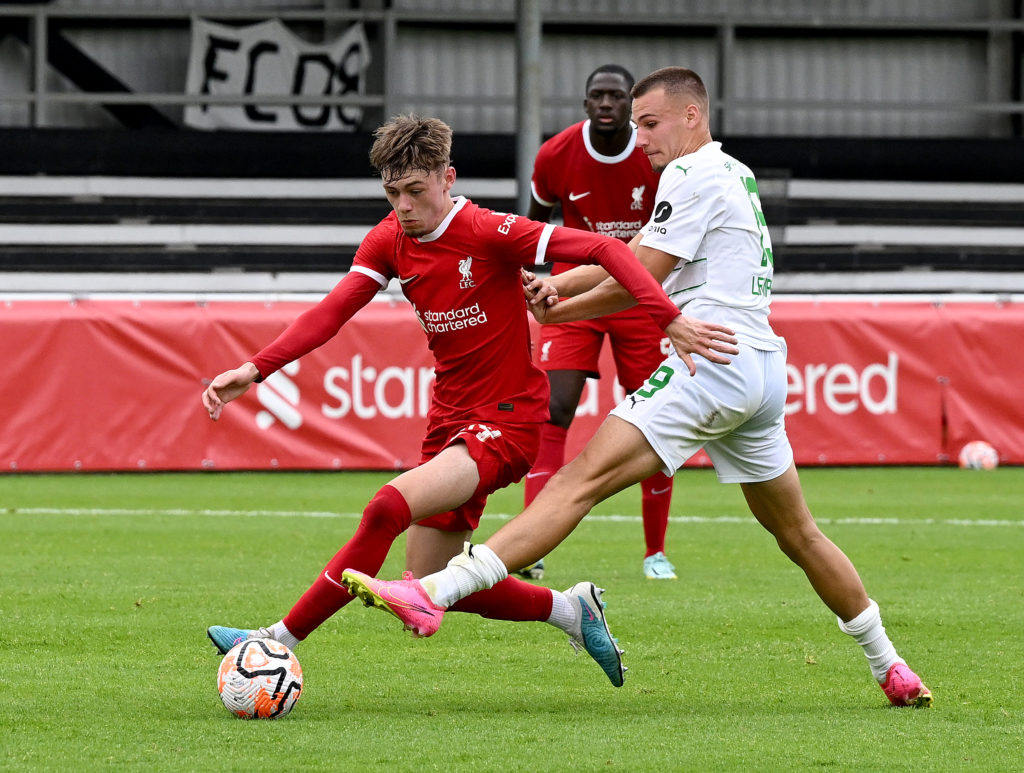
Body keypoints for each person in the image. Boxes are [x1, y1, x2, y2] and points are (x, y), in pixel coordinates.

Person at [341, 69, 934, 708]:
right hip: (761, 368)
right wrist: (560, 290)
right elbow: (643, 247)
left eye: (649, 123)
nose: (638, 137)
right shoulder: (734, 172)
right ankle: (890, 666)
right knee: (799, 534)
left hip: (711, 357)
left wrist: (561, 309)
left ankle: (433, 592)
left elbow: (644, 270)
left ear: (691, 115)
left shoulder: (688, 173)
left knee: (576, 482)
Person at [202, 113, 739, 688]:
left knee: (387, 506)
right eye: (392, 192)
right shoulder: (388, 239)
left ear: (447, 178)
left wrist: (671, 320)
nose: (403, 206)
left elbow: (609, 250)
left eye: (414, 191)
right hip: (449, 421)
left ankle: (275, 639)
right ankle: (569, 610)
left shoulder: (489, 231)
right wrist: (254, 369)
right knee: (432, 578)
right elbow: (332, 312)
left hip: (507, 423)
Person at [518, 63, 677, 582]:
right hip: (574, 296)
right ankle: (532, 543)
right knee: (554, 409)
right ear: (585, 103)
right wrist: (536, 281)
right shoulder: (555, 154)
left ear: (629, 106)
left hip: (638, 296)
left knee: (658, 419)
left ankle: (655, 552)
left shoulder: (654, 153)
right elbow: (536, 222)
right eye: (597, 96)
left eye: (615, 97)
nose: (605, 103)